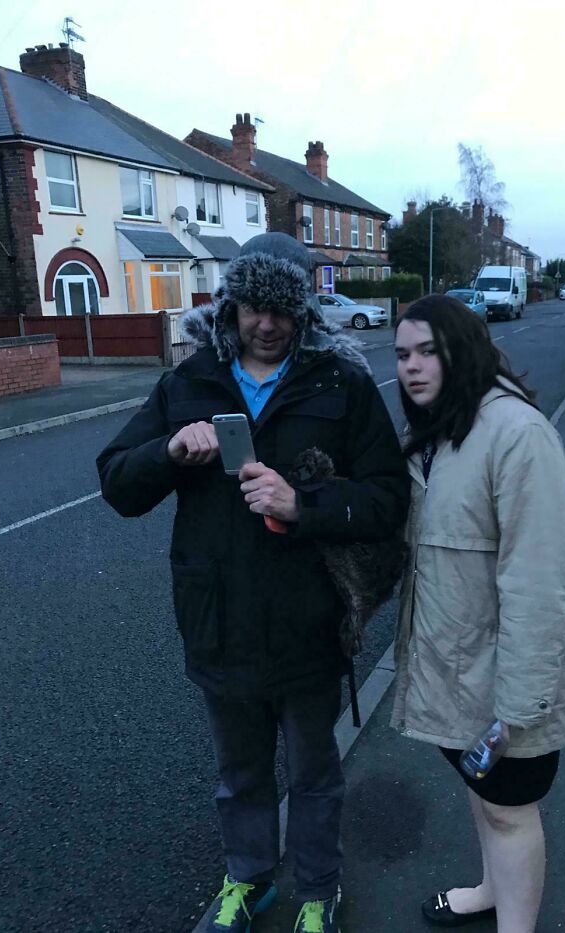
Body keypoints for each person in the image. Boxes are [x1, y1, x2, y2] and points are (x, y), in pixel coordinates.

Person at [97, 233, 409, 933]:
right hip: (218, 618)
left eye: (283, 309)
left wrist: (304, 505)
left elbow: (388, 499)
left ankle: (319, 890)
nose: (266, 324)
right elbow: (116, 480)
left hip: (308, 622)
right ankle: (249, 878)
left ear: (303, 311)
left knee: (313, 773)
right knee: (239, 773)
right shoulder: (190, 382)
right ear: (232, 303)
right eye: (253, 307)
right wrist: (171, 450)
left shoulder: (341, 383)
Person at [391, 295, 565, 932]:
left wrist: (519, 708)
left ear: (465, 350)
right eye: (402, 355)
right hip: (459, 674)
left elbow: (541, 583)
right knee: (485, 798)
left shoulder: (518, 436)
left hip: (509, 683)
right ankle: (488, 891)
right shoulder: (433, 433)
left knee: (510, 811)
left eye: (429, 351)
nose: (412, 367)